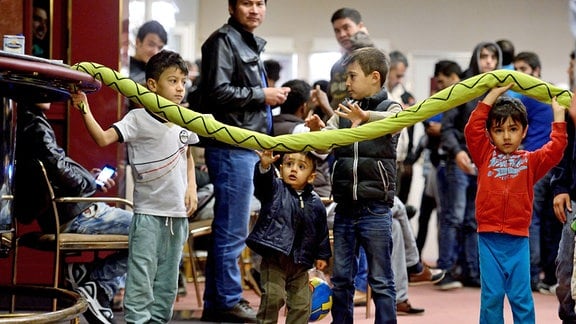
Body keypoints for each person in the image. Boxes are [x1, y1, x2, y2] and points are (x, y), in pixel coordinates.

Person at [71, 50, 199, 323]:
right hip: (148, 215)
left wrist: (191, 188)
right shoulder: (137, 119)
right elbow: (103, 138)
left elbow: (187, 154)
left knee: (167, 282)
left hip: (177, 218)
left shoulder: (184, 118)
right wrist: (84, 108)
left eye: (183, 82)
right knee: (141, 278)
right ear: (152, 85)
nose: (179, 88)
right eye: (172, 80)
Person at [198, 1, 290, 322]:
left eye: (259, 3)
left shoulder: (244, 41)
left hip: (244, 145)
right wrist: (261, 94)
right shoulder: (223, 41)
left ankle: (218, 304)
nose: (254, 10)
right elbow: (216, 92)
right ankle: (228, 300)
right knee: (232, 230)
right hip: (231, 145)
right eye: (247, 3)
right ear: (232, 7)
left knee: (230, 228)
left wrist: (264, 97)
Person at [14, 101, 133, 324]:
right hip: (77, 216)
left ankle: (95, 284)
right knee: (156, 233)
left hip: (66, 214)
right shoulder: (35, 124)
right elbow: (58, 167)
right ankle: (96, 282)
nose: (50, 95)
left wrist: (89, 179)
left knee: (151, 232)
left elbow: (56, 171)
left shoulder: (24, 121)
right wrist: (90, 182)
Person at [307, 46, 401, 323]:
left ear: (374, 77)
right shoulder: (344, 111)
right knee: (342, 278)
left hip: (376, 209)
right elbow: (325, 148)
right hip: (346, 206)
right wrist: (317, 131)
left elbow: (398, 121)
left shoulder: (390, 107)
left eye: (352, 76)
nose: (346, 83)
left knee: (381, 279)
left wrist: (366, 118)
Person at [464, 83, 567, 323]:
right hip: (488, 239)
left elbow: (556, 148)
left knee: (521, 297)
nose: (507, 136)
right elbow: (472, 130)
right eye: (499, 130)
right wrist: (492, 95)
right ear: (490, 132)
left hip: (518, 240)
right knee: (492, 296)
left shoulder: (531, 162)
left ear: (524, 131)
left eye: (513, 129)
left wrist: (559, 116)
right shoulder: (484, 155)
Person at [437, 41, 502, 290]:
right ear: (476, 58)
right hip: (461, 160)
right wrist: (456, 153)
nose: (488, 61)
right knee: (453, 216)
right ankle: (446, 270)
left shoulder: (501, 89)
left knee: (476, 219)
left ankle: (472, 271)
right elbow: (448, 127)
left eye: (492, 57)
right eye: (483, 56)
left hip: (488, 162)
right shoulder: (464, 88)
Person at [246, 150, 331, 324]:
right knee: (273, 297)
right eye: (289, 164)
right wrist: (264, 166)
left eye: (301, 167)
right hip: (275, 259)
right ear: (281, 167)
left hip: (300, 264)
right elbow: (262, 184)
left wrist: (322, 255)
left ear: (311, 177)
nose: (293, 170)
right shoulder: (275, 189)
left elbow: (320, 231)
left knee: (302, 305)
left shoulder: (315, 203)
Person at [513, 51, 561, 294]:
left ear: (536, 70)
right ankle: (551, 276)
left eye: (522, 69)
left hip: (536, 164)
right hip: (557, 165)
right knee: (553, 223)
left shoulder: (528, 97)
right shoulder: (557, 95)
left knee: (532, 221)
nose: (518, 74)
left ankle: (532, 277)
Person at [415, 60, 462, 254]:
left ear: (452, 78)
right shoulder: (438, 99)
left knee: (451, 217)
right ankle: (417, 261)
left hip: (454, 163)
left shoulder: (463, 100)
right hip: (435, 166)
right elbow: (427, 123)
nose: (439, 86)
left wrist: (444, 129)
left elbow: (463, 129)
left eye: (442, 82)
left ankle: (449, 262)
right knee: (427, 214)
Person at [550, 55, 576, 324]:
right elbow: (562, 150)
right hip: (573, 199)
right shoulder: (568, 101)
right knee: (565, 267)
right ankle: (568, 316)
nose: (569, 69)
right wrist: (559, 186)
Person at [328, 7, 367, 110]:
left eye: (346, 28)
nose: (342, 34)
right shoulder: (337, 66)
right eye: (337, 31)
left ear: (360, 27)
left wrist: (362, 39)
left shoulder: (372, 60)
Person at [129, 20, 167, 86]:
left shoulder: (158, 73)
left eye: (160, 48)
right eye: (151, 44)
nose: (155, 52)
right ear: (138, 42)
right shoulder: (123, 68)